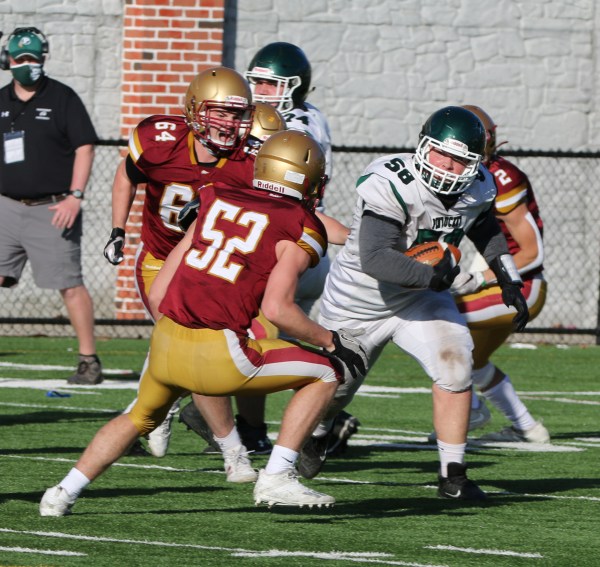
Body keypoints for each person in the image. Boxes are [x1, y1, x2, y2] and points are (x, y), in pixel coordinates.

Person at [39, 130, 367, 516]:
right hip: (220, 354)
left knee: (139, 417)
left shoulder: (215, 197)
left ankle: (61, 493)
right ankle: (278, 476)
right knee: (328, 372)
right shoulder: (298, 224)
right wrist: (330, 340)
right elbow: (278, 309)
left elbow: (160, 291)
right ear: (306, 179)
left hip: (166, 341)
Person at [301, 106, 530, 500]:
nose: (447, 166)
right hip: (361, 299)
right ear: (423, 146)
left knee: (456, 364)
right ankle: (320, 432)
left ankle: (453, 476)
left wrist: (507, 274)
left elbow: (485, 226)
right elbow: (376, 258)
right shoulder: (392, 181)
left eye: (460, 160)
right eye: (441, 153)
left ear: (475, 164)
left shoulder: (479, 186)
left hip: (421, 298)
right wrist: (439, 278)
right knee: (337, 387)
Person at [103, 67, 278, 463]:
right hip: (161, 260)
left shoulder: (250, 159)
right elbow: (127, 175)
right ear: (196, 110)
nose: (229, 123)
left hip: (213, 266)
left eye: (237, 114)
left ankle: (163, 409)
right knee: (186, 338)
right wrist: (117, 229)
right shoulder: (158, 141)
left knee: (226, 343)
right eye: (220, 112)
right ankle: (196, 430)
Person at [245, 40, 360, 452]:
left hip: (293, 237)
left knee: (249, 331)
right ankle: (323, 418)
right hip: (303, 237)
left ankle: (241, 427)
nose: (261, 91)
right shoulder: (306, 116)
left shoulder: (294, 128)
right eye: (257, 82)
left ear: (295, 87)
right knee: (271, 335)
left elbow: (265, 183)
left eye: (271, 84)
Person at [0, 27, 101, 384]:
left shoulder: (62, 97)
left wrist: (75, 196)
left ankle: (89, 360)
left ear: (43, 59)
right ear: (8, 60)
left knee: (69, 285)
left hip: (53, 208)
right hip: (6, 207)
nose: (28, 64)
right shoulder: (1, 100)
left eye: (33, 57)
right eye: (21, 58)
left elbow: (85, 147)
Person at [450, 105, 549, 443]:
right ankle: (528, 428)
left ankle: (471, 408)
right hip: (500, 282)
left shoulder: (501, 178)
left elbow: (532, 252)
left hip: (520, 287)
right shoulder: (458, 174)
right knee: (474, 361)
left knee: (430, 316)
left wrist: (481, 279)